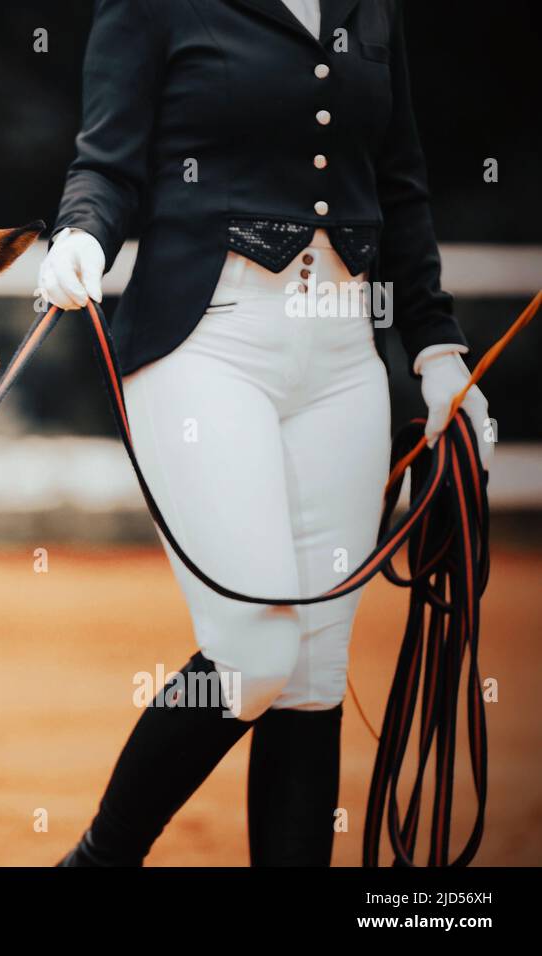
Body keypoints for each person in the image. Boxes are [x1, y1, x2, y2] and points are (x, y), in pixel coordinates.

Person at [38, 0, 489, 865]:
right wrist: (82, 236)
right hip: (208, 342)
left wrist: (436, 348)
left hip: (345, 357)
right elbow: (107, 163)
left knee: (314, 680)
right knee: (255, 648)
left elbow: (400, 181)